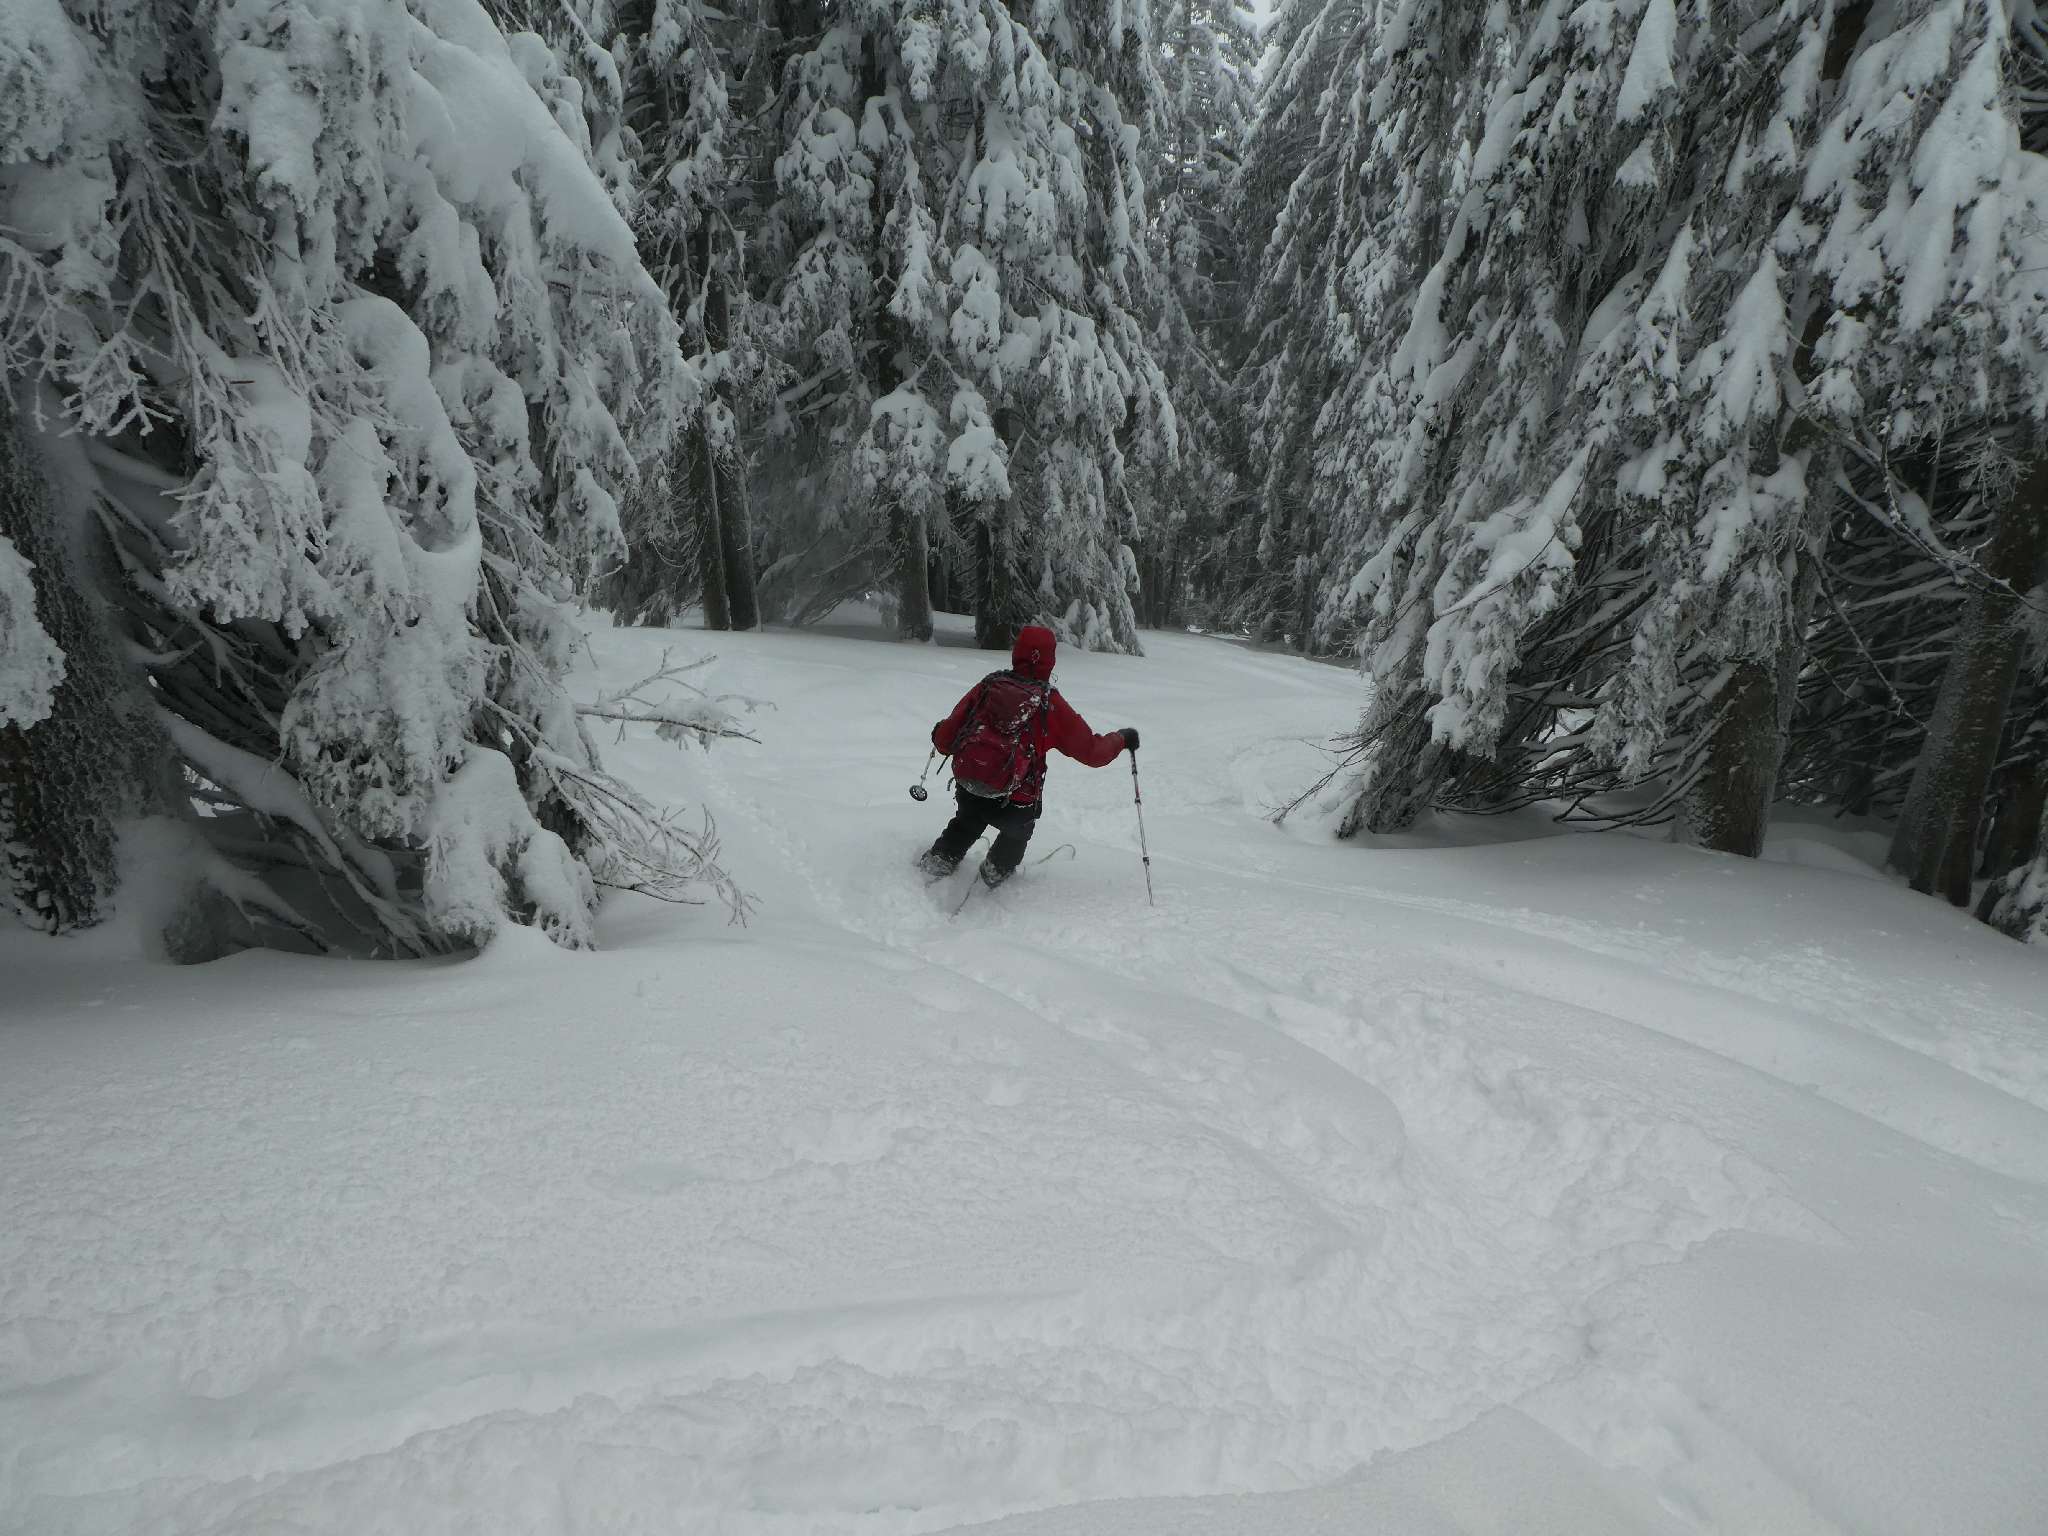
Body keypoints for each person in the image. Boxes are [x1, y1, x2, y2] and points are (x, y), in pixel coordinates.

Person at [921, 624, 1138, 887]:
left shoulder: (989, 686)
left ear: (1017, 653)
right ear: (1050, 661)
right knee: (1017, 833)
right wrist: (1122, 738)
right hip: (1017, 799)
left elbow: (946, 738)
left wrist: (939, 736)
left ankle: (938, 862)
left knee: (967, 821)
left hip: (971, 782)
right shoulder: (1048, 703)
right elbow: (1092, 752)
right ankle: (995, 873)